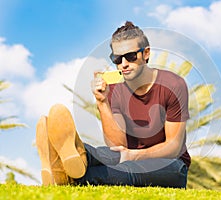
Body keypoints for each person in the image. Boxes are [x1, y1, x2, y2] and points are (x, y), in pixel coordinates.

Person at [36, 21, 191, 188]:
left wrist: (134, 155)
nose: (123, 64)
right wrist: (102, 102)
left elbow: (173, 147)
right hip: (125, 157)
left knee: (128, 169)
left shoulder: (173, 85)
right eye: (117, 58)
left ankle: (63, 172)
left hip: (170, 165)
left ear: (146, 53)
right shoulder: (115, 89)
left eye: (130, 56)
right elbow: (118, 145)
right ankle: (76, 154)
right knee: (106, 155)